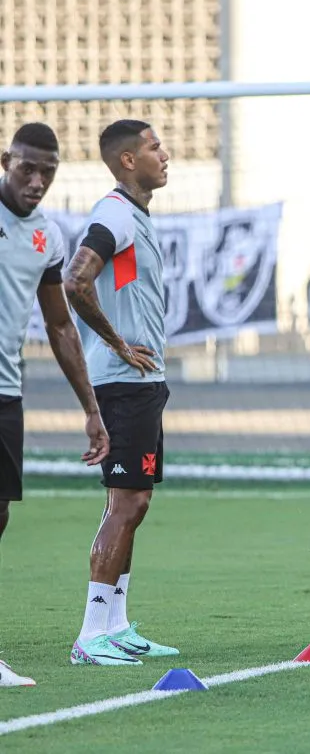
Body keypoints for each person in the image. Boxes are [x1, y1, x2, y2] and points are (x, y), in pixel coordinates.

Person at [63, 120, 177, 666]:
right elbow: (76, 279)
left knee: (135, 502)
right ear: (128, 160)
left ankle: (116, 624)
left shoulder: (134, 216)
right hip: (123, 383)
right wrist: (118, 344)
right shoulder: (112, 213)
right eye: (155, 146)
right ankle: (90, 636)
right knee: (125, 503)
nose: (166, 154)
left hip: (142, 383)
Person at [0, 123, 110, 686]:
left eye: (48, 172)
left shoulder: (47, 237)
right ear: (5, 160)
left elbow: (61, 326)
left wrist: (90, 409)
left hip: (6, 394)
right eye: (27, 169)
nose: (37, 181)